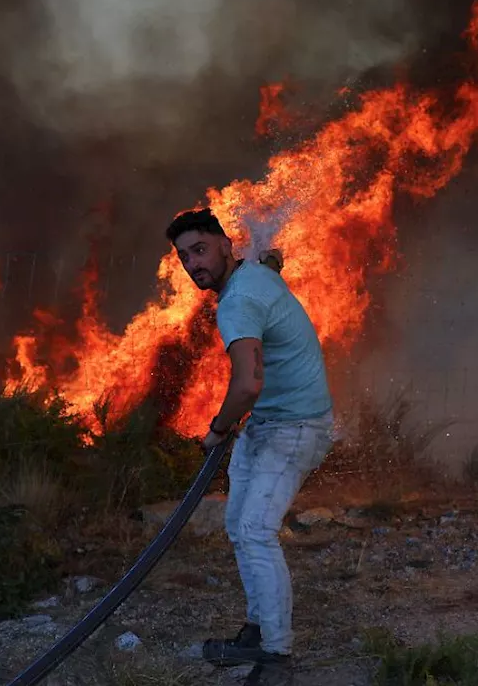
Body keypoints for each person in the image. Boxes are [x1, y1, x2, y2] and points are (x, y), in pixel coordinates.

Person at [165, 208, 335, 686]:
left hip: (295, 426)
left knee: (256, 530)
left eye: (200, 250)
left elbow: (247, 383)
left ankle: (276, 657)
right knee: (241, 527)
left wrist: (218, 429)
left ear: (224, 244)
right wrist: (272, 262)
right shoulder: (253, 276)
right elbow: (268, 270)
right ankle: (258, 632)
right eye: (184, 257)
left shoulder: (237, 302)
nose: (193, 263)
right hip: (269, 423)